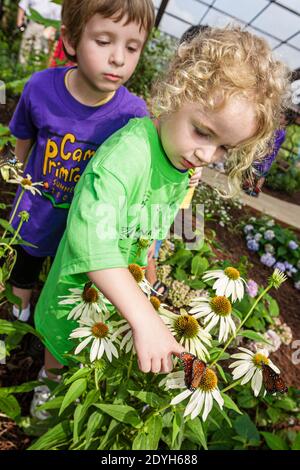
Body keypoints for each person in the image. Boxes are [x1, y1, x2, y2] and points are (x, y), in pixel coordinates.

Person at [33, 25, 289, 387]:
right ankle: (44, 393)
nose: (206, 154)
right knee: (59, 356)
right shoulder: (128, 156)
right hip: (75, 294)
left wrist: (150, 286)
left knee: (90, 371)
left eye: (224, 149)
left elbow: (149, 233)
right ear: (176, 94)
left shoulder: (180, 164)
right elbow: (90, 241)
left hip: (119, 303)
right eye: (202, 131)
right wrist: (143, 317)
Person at [8, 0, 156, 323]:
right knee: (22, 275)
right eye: (103, 41)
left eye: (133, 47)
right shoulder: (40, 89)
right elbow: (21, 143)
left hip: (86, 233)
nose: (118, 58)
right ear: (71, 39)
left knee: (64, 293)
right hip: (32, 216)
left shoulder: (133, 116)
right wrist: (14, 183)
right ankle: (17, 324)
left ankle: (44, 336)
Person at [17, 0, 61, 65]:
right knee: (26, 45)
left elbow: (58, 16)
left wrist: (53, 29)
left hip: (46, 27)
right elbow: (22, 6)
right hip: (31, 23)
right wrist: (19, 23)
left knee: (39, 49)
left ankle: (36, 67)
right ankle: (22, 67)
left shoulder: (56, 2)